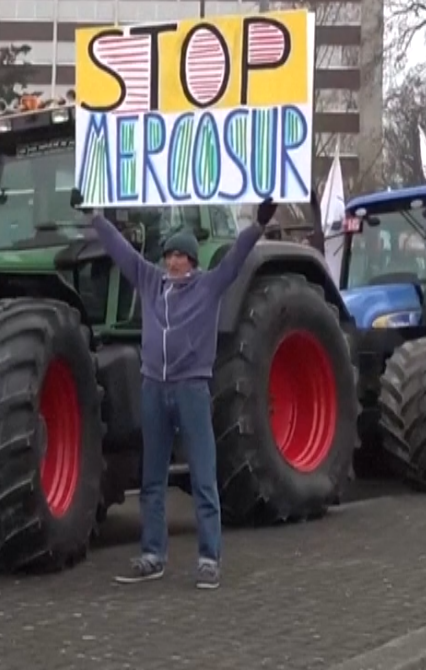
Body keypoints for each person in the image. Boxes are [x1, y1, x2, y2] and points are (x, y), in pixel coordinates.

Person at [71, 189, 276, 590]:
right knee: (152, 478)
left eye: (179, 255)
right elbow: (120, 252)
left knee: (202, 474)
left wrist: (259, 224)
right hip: (153, 387)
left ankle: (209, 558)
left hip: (191, 389)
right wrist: (95, 216)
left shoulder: (209, 287)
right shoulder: (150, 282)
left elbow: (236, 258)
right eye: (168, 255)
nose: (172, 261)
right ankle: (152, 554)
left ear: (192, 260)